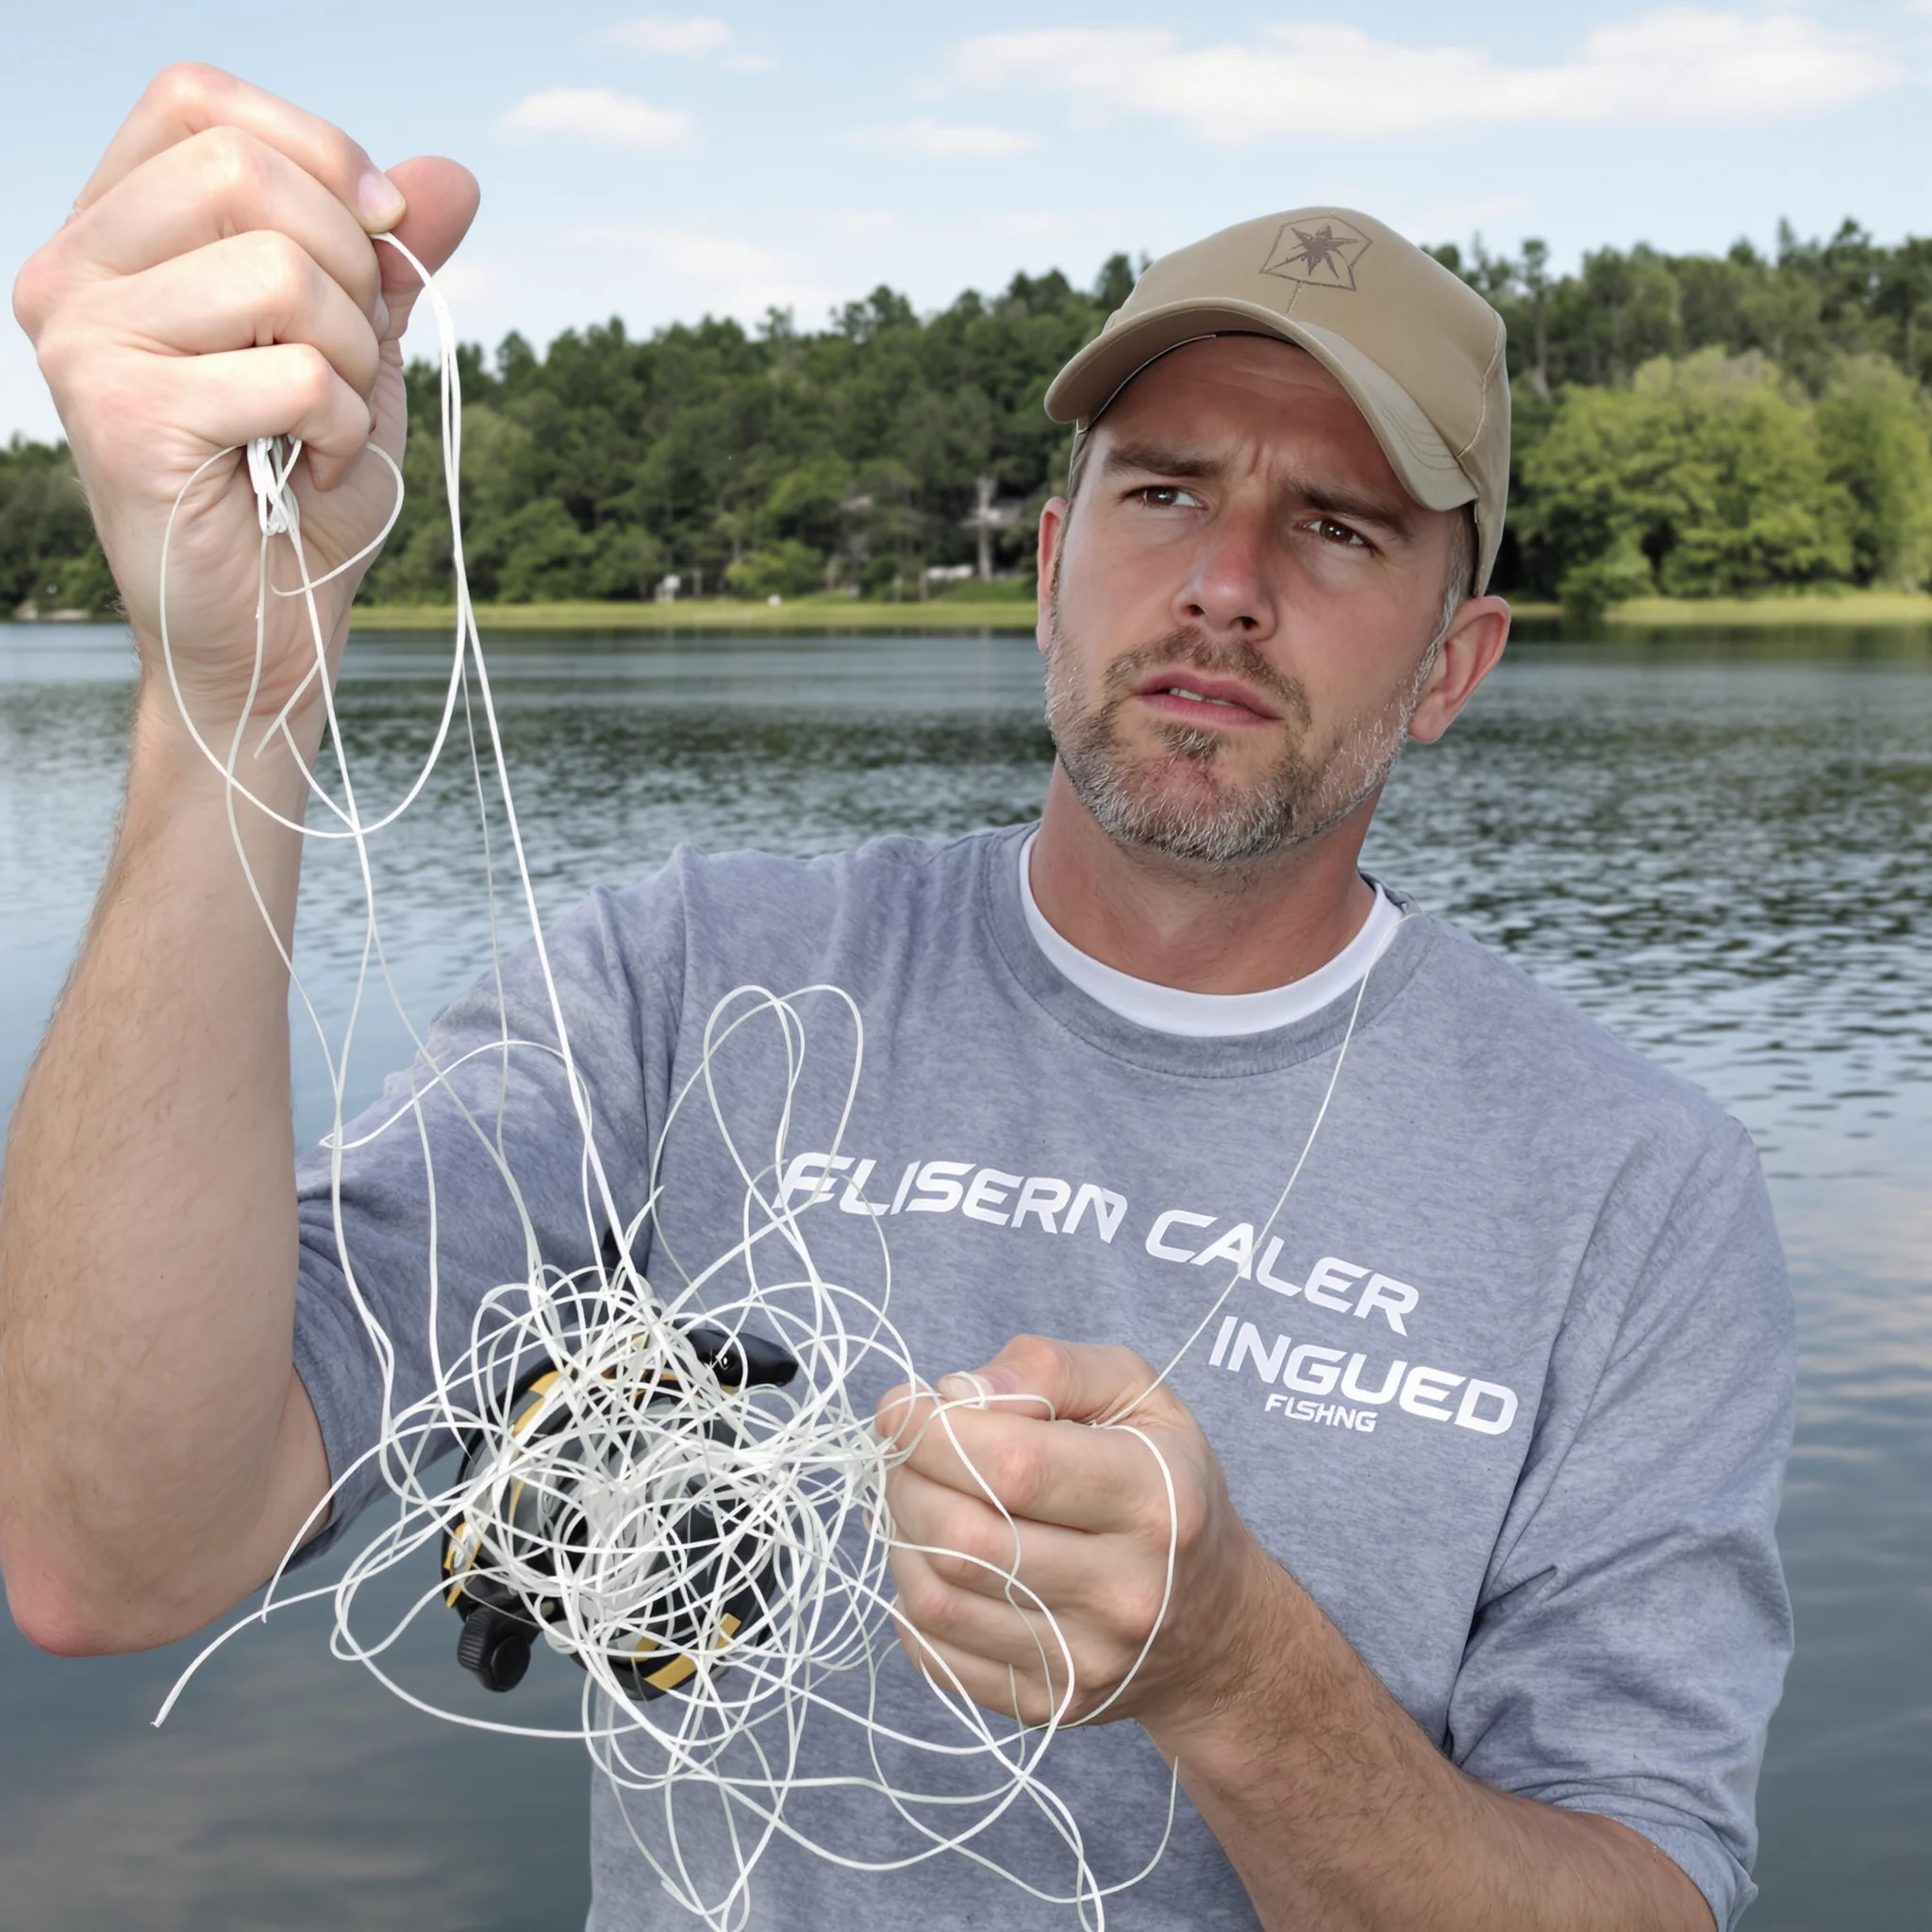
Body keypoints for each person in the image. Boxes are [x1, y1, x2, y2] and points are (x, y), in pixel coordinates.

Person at [0, 65, 1792, 1932]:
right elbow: (112, 1550)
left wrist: (1234, 1670)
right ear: (1047, 567)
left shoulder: (1633, 1195)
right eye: (1164, 489)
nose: (1226, 584)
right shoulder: (682, 981)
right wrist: (226, 690)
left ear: (1454, 662)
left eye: (1338, 526)